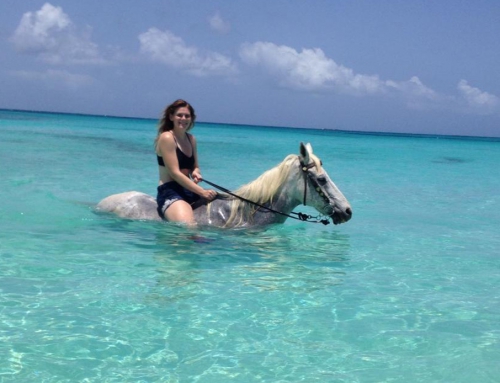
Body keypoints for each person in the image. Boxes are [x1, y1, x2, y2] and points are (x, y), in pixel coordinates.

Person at [155, 99, 217, 224]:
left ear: (191, 118)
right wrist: (202, 192)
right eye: (179, 115)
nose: (183, 118)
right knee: (189, 227)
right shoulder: (167, 137)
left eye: (187, 116)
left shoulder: (191, 139)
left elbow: (195, 166)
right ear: (171, 117)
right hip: (170, 191)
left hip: (188, 189)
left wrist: (196, 172)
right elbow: (174, 173)